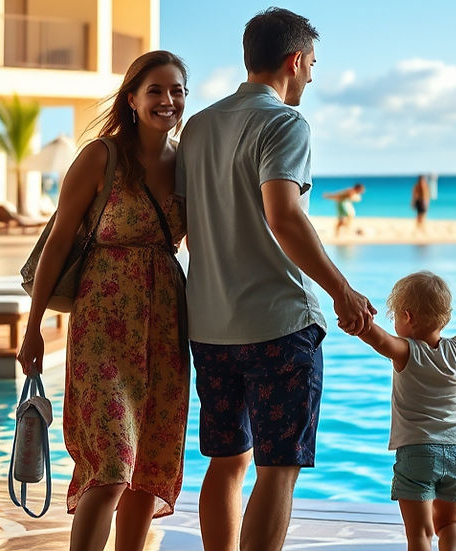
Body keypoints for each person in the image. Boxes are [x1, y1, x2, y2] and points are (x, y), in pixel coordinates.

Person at [175, 8, 375, 551]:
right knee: (277, 470)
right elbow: (284, 216)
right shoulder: (285, 123)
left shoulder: (198, 127)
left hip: (211, 327)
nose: (311, 75)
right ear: (293, 60)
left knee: (226, 461)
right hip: (278, 326)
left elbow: (192, 230)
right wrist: (343, 290)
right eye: (312, 64)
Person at [17, 50, 190, 551]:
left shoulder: (187, 165)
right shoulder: (101, 157)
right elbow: (55, 245)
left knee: (149, 469)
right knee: (112, 467)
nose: (167, 100)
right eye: (155, 90)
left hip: (165, 329)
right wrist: (33, 329)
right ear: (132, 99)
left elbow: (203, 245)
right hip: (102, 330)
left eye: (176, 90)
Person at [357, 271, 456, 551]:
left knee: (420, 534)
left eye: (395, 316)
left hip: (417, 453)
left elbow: (378, 339)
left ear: (407, 317)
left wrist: (358, 322)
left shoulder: (405, 351)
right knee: (449, 525)